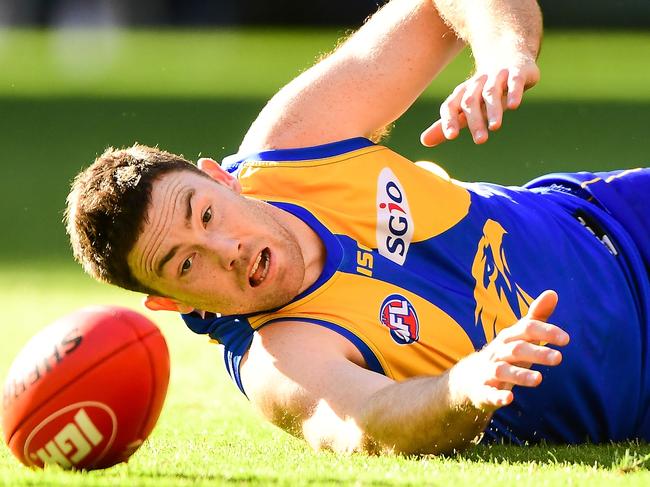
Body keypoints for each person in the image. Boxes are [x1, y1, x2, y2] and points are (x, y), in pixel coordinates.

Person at [65, 0, 650, 455]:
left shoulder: (294, 144)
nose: (228, 250)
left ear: (221, 179)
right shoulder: (279, 361)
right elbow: (367, 424)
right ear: (170, 303)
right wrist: (466, 386)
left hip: (617, 221)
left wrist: (502, 52)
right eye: (187, 264)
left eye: (207, 214)